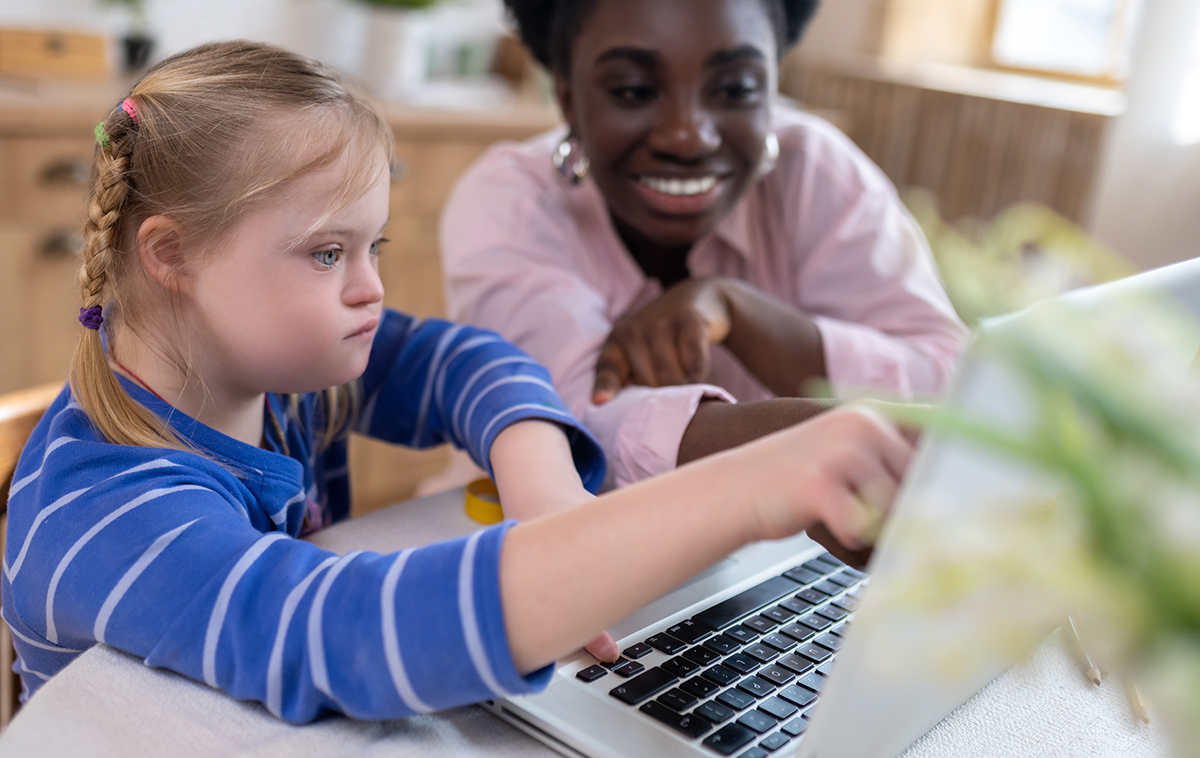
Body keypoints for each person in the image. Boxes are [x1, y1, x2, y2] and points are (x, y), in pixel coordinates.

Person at [2, 40, 914, 723]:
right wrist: (741, 490)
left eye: (373, 246)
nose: (371, 288)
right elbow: (337, 631)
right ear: (173, 256)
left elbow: (460, 360)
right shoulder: (104, 512)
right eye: (326, 253)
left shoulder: (270, 369)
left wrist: (543, 481)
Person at [441, 0, 968, 489]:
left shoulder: (814, 170)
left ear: (774, 89)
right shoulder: (507, 203)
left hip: (781, 556)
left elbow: (951, 378)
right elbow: (574, 424)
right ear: (565, 98)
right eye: (634, 89)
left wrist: (743, 314)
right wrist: (839, 444)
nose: (688, 136)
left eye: (735, 88)